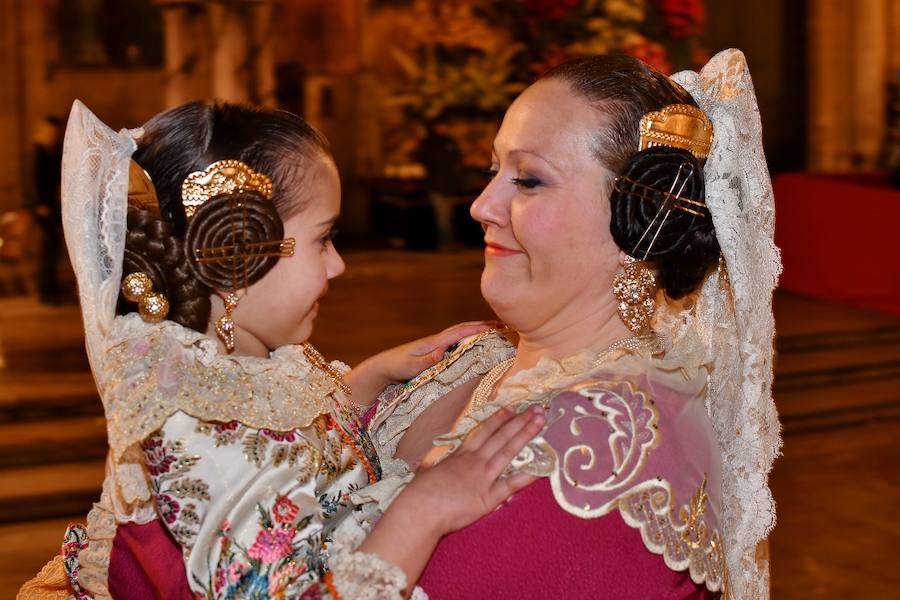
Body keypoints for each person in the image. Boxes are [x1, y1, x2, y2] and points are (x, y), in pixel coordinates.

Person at [18, 100, 545, 600]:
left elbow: (283, 438)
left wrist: (368, 378)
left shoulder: (224, 365)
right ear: (234, 252)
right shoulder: (190, 415)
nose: (337, 265)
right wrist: (425, 507)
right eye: (322, 239)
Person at [365, 48, 781, 599]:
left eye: (530, 181)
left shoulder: (603, 443)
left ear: (642, 221)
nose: (482, 205)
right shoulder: (480, 356)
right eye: (495, 171)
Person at [29, 115, 65, 304]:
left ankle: (50, 288)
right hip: (45, 208)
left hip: (51, 206)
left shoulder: (50, 151)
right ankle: (46, 291)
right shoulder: (40, 152)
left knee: (52, 249)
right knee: (48, 249)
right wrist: (42, 204)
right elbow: (38, 181)